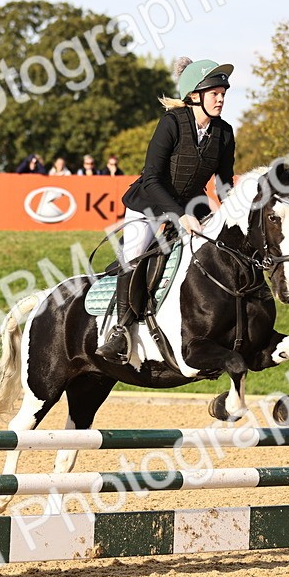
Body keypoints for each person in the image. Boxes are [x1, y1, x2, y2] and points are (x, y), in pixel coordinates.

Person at [96, 57, 237, 364]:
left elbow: (224, 183)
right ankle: (121, 332)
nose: (221, 98)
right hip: (149, 203)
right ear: (195, 95)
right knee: (134, 253)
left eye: (224, 92)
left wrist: (237, 206)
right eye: (215, 92)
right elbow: (152, 177)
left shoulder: (224, 133)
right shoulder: (171, 123)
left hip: (191, 205)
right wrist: (178, 214)